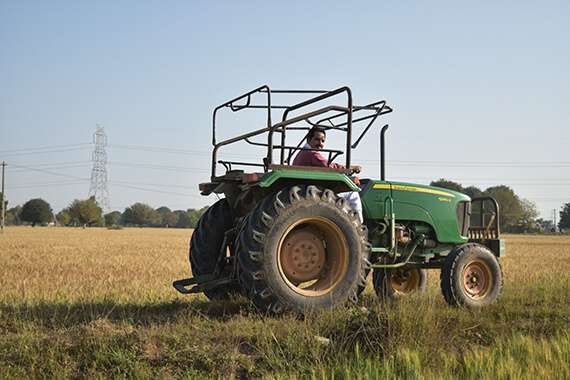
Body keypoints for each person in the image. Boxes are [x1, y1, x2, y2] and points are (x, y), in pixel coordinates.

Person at [292, 126, 363, 222]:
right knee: (352, 194)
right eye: (317, 139)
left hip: (307, 185)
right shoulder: (311, 154)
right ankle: (359, 225)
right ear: (309, 139)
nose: (320, 144)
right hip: (312, 188)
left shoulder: (302, 153)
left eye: (323, 141)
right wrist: (352, 168)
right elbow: (329, 166)